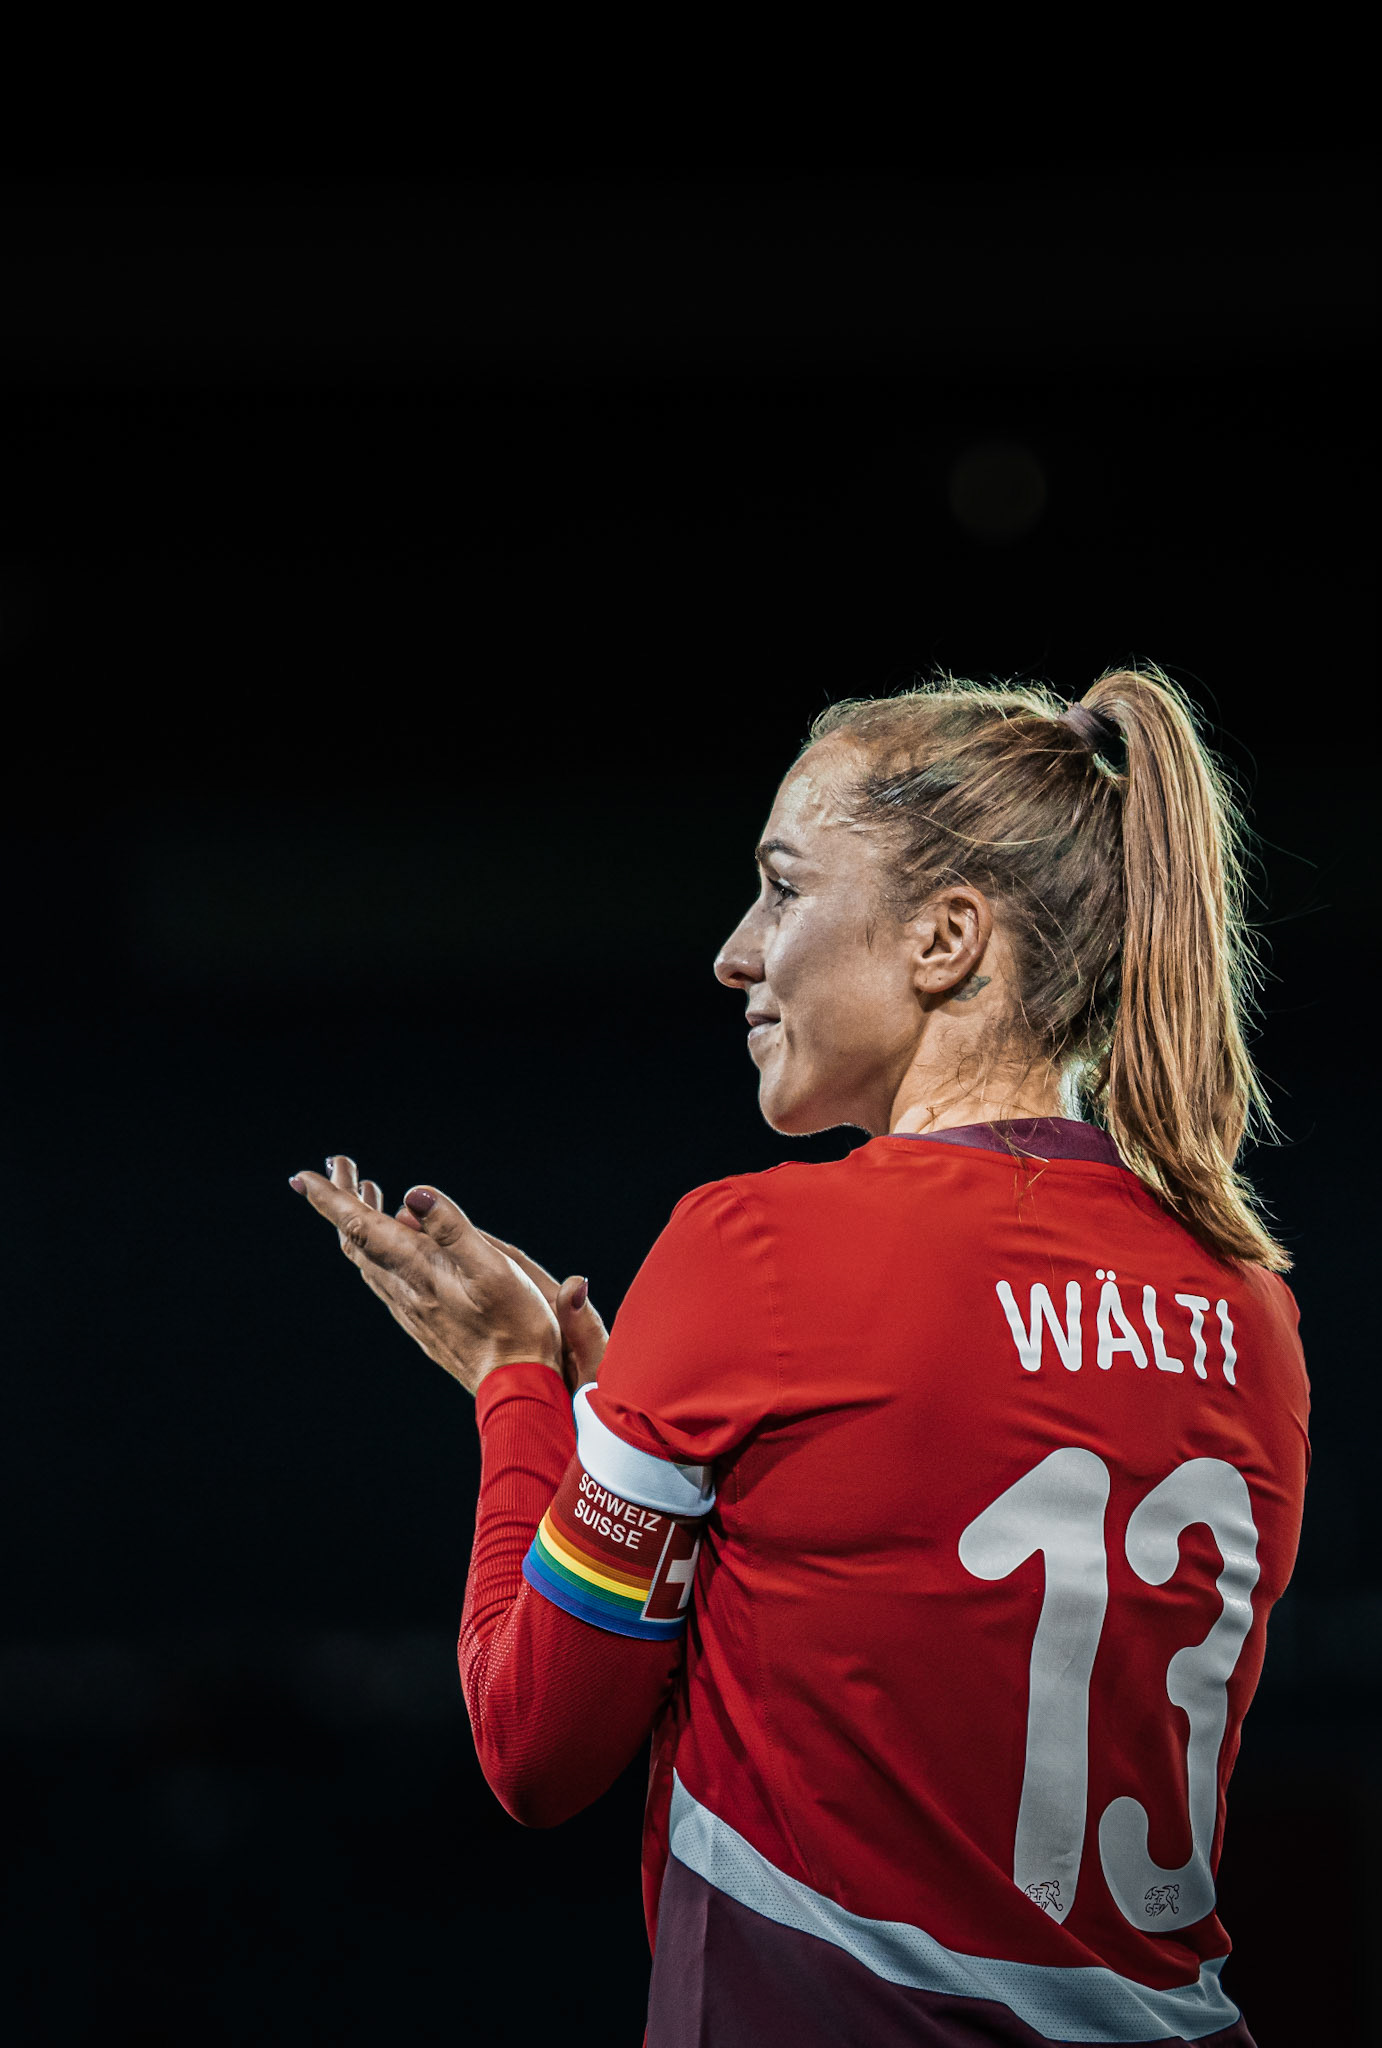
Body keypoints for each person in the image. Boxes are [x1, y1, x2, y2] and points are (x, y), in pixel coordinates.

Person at [291, 666, 1307, 2047]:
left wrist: (518, 1390)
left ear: (944, 938)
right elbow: (897, 1557)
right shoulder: (1244, 1304)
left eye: (780, 887)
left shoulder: (754, 1248)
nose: (733, 951)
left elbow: (534, 1747)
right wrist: (627, 1418)